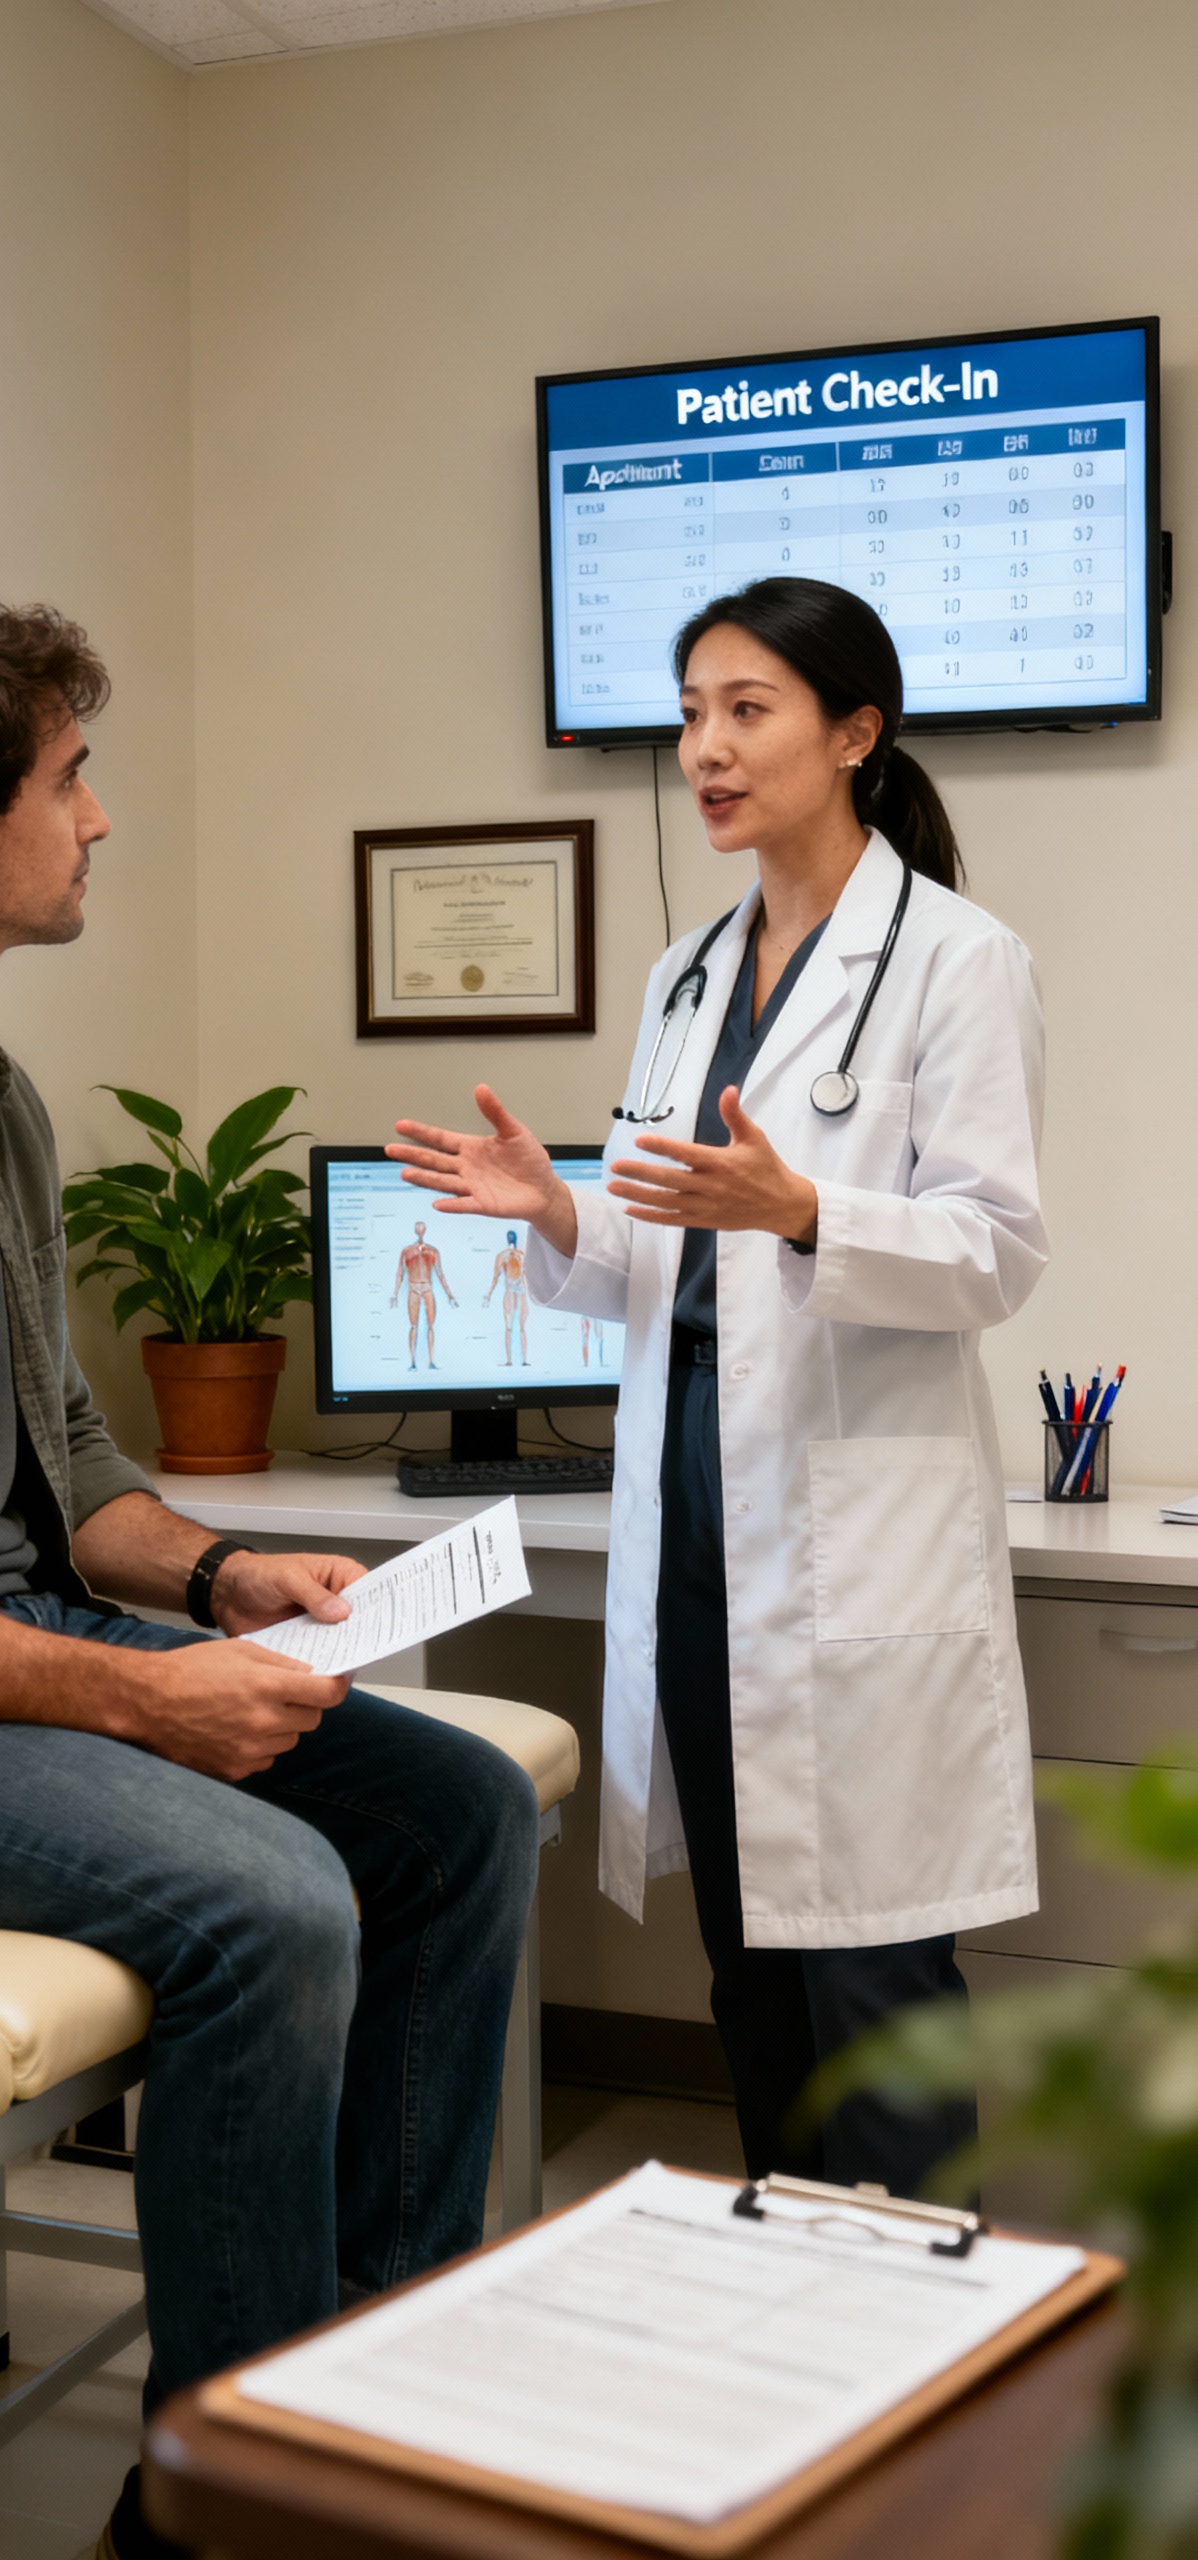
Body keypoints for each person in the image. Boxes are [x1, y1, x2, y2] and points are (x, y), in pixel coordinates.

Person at [0, 594, 538, 2560]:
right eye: (70, 776)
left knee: (449, 1808)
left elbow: (74, 1471)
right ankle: (224, 2507)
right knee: (268, 1899)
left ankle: (366, 2393)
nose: (98, 819)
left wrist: (212, 1577)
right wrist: (137, 1694)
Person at [391, 577, 1047, 2200]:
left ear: (856, 732)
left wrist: (810, 1210)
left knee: (879, 1982)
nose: (705, 748)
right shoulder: (690, 974)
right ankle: (791, 2296)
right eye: (691, 714)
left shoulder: (960, 960)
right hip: (693, 1517)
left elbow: (995, 1250)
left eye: (747, 709)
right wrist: (559, 1214)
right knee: (752, 1970)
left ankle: (911, 2357)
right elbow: (660, 1256)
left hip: (856, 1530)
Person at [390, 1217, 458, 1367]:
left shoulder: (433, 1251)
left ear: (424, 1231)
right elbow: (400, 1273)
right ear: (416, 1231)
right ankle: (413, 1361)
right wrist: (395, 1293)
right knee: (413, 1325)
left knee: (430, 1325)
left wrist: (450, 1295)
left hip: (427, 1288)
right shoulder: (407, 1251)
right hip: (414, 1288)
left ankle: (431, 1360)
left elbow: (440, 1274)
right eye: (418, 1229)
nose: (420, 1232)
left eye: (422, 1229)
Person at [484, 1230, 530, 1365]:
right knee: (519, 1327)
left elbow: (495, 1279)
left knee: (510, 1327)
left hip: (513, 1291)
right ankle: (522, 1360)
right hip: (519, 1291)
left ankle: (511, 1360)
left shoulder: (502, 1256)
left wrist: (489, 1295)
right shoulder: (522, 1255)